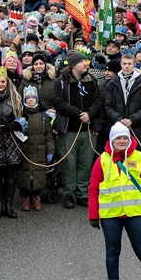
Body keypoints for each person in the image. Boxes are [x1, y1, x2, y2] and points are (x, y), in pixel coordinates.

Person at [88, 122, 141, 280]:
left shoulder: (139, 157)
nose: (121, 141)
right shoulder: (102, 160)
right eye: (118, 138)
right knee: (112, 253)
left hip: (135, 213)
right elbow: (93, 190)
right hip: (110, 215)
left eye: (125, 138)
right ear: (111, 140)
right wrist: (93, 215)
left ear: (129, 140)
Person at [52, 51, 104, 209]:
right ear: (74, 65)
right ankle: (69, 193)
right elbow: (57, 101)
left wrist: (90, 114)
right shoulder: (61, 81)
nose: (85, 64)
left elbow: (99, 99)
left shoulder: (91, 79)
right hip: (68, 129)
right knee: (69, 163)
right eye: (82, 62)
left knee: (85, 163)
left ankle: (82, 193)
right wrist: (77, 113)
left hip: (88, 129)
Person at [0, 66, 25, 219]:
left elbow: (23, 117)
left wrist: (17, 124)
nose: (0, 84)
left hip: (12, 141)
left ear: (7, 82)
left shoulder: (15, 98)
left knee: (10, 174)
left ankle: (8, 205)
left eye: (3, 81)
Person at [104, 53, 141, 158]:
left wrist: (132, 120)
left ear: (134, 64)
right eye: (124, 63)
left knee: (136, 161)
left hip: (138, 129)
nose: (127, 66)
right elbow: (107, 106)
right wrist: (119, 120)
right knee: (117, 161)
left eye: (129, 64)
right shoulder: (112, 84)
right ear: (121, 64)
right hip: (117, 127)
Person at [17, 86, 54, 211]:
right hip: (24, 149)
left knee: (39, 173)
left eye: (33, 97)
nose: (31, 100)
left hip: (40, 150)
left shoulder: (44, 116)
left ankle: (37, 197)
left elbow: (48, 135)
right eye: (28, 98)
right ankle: (25, 197)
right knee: (24, 173)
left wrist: (50, 150)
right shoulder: (21, 115)